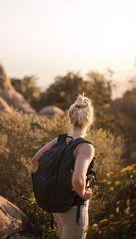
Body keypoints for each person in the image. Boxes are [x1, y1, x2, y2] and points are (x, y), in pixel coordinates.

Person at [32, 94, 95, 239]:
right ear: (89, 120)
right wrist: (83, 193)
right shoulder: (85, 147)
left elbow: (36, 160)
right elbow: (77, 179)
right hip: (73, 209)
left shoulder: (59, 140)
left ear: (70, 118)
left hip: (56, 204)